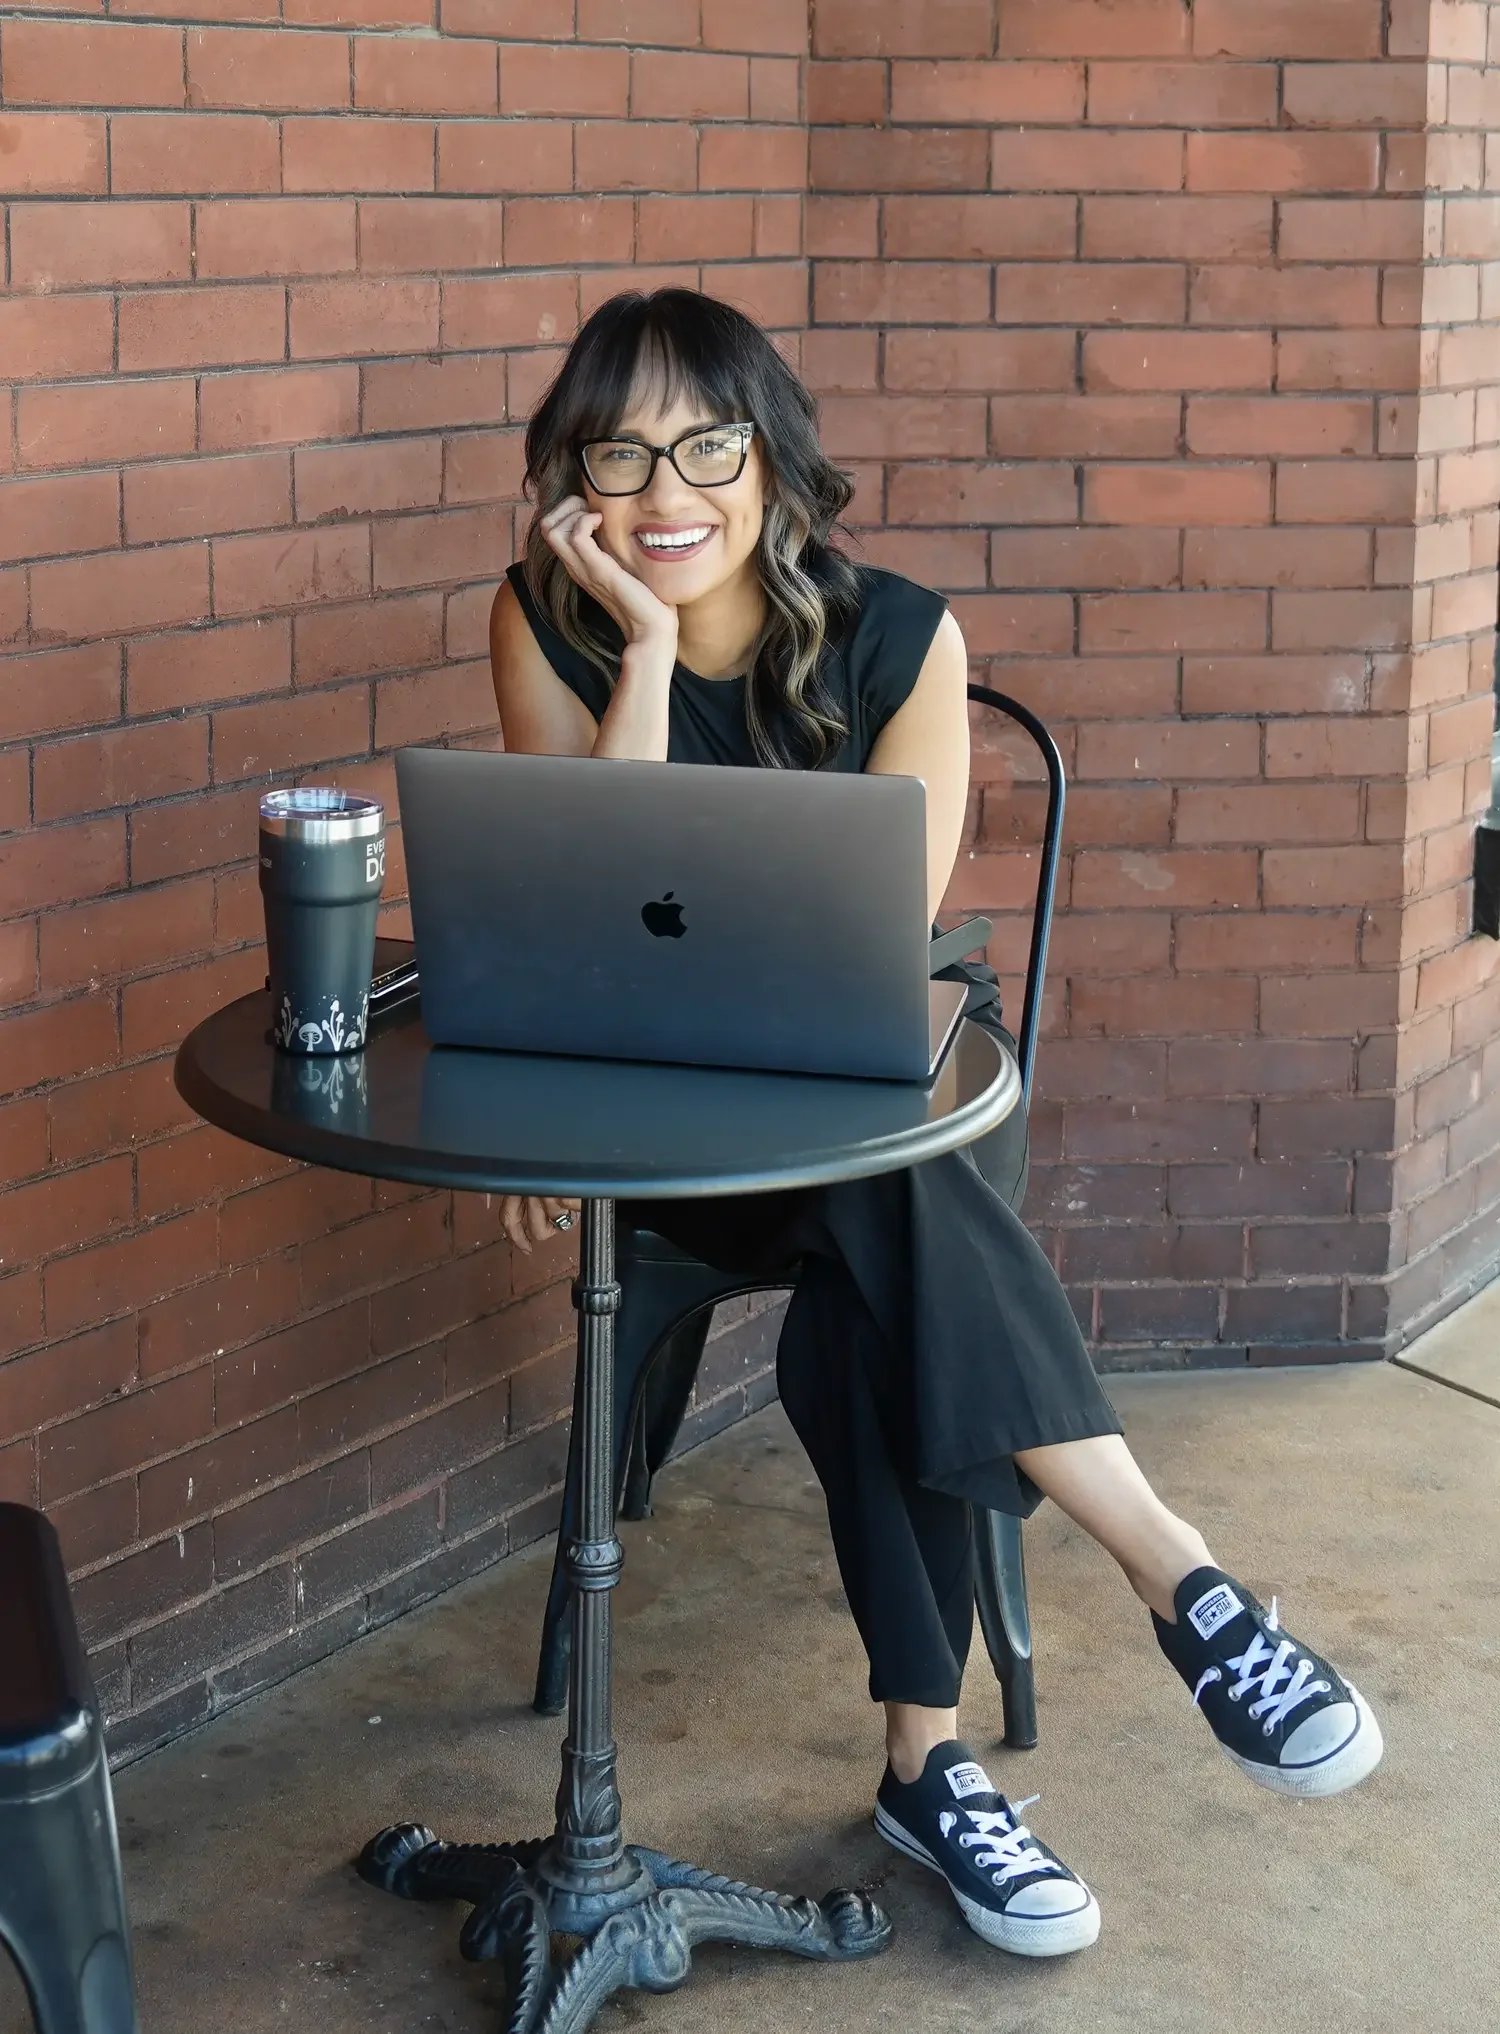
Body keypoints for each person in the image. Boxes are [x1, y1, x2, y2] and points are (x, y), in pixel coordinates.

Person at [485, 288, 1382, 1961]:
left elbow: (872, 945)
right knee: (885, 1253)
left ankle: (936, 1756)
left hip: (880, 1096)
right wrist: (653, 655)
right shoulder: (549, 622)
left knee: (874, 1248)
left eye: (708, 444)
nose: (665, 487)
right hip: (680, 1144)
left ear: (773, 461)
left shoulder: (908, 637)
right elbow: (572, 907)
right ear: (572, 476)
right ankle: (1174, 1589)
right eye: (621, 449)